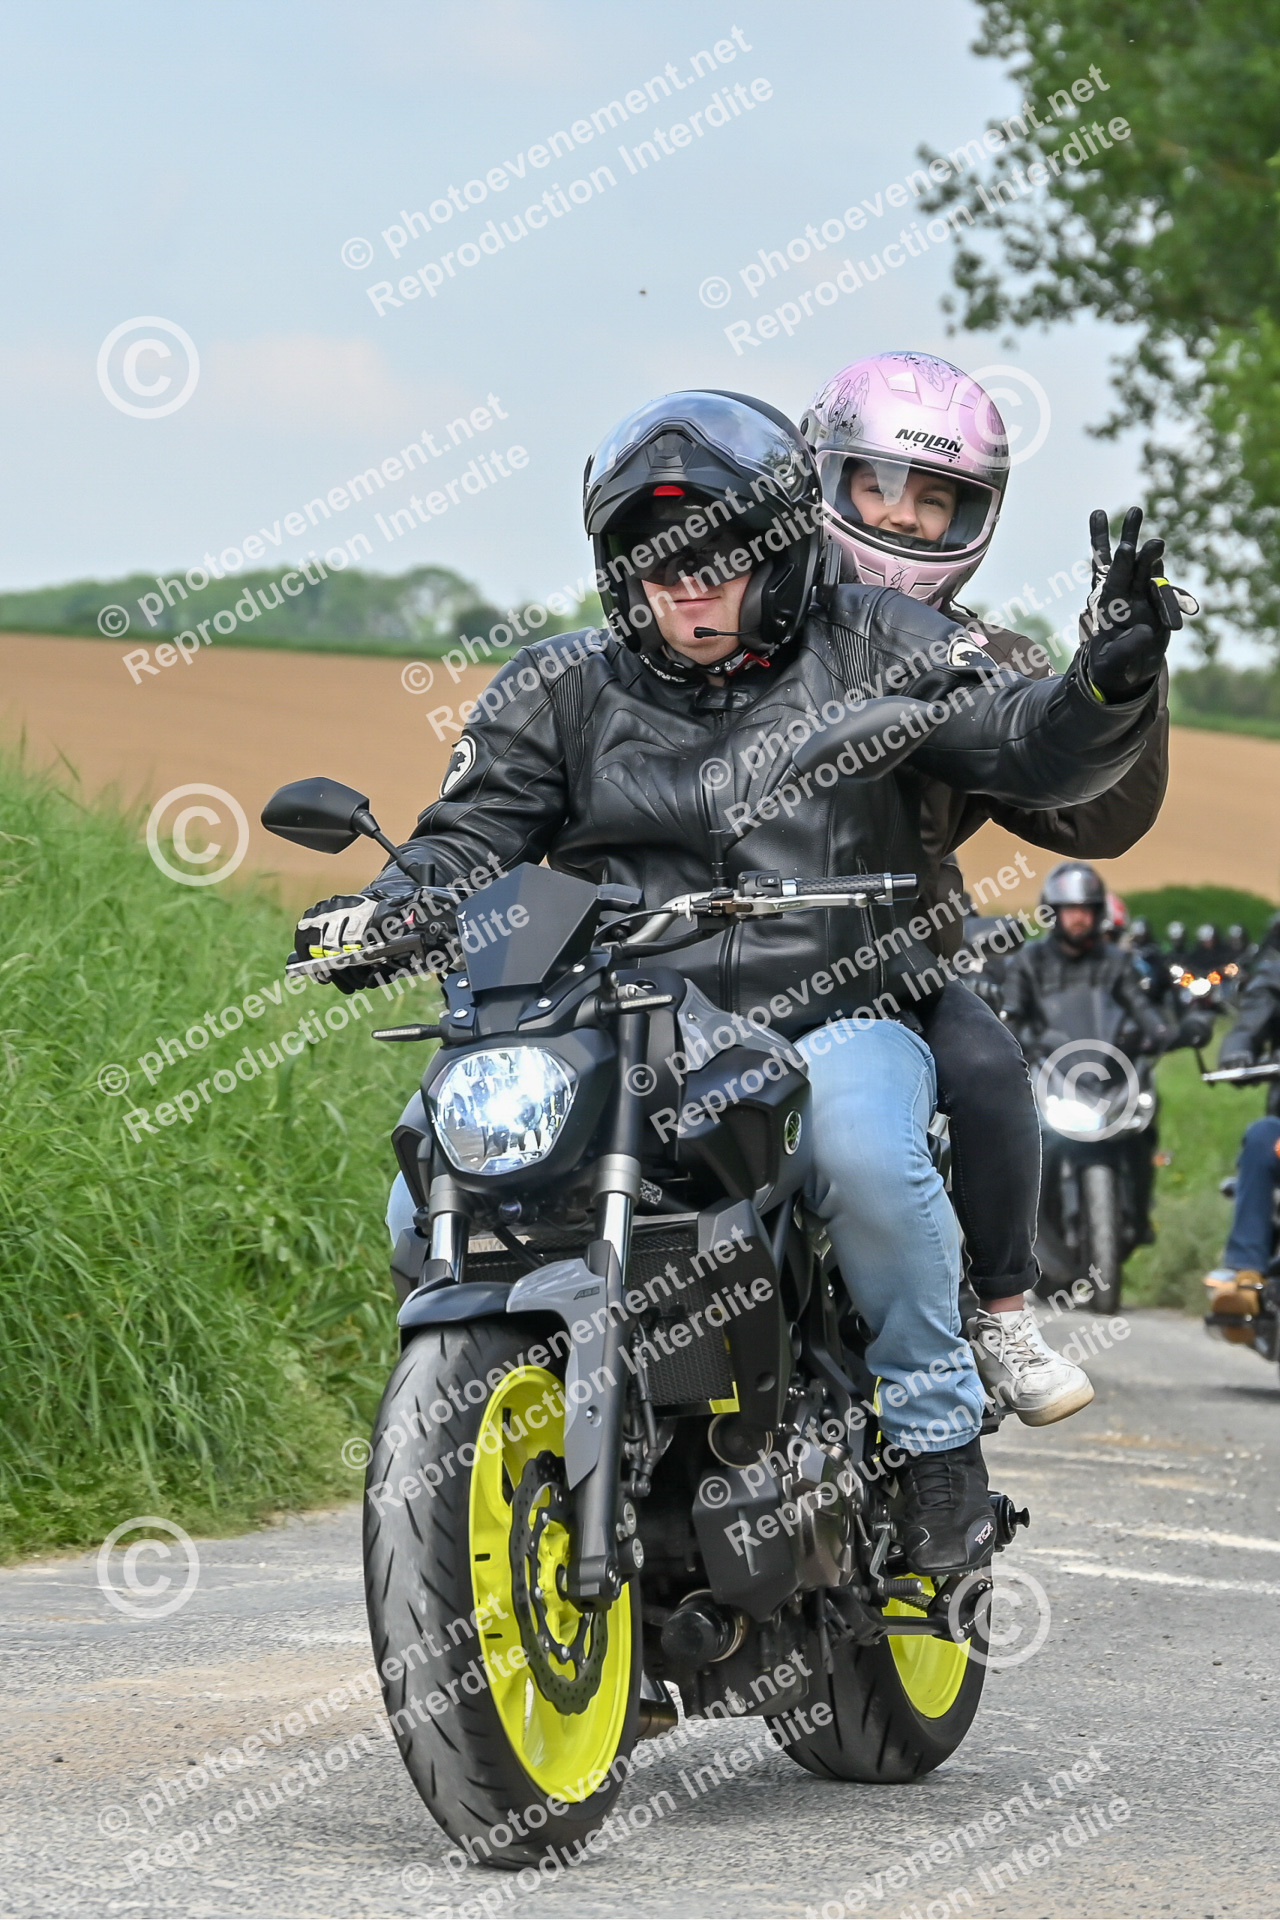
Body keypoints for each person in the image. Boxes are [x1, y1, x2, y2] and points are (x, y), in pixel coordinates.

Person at [296, 389, 1169, 1575]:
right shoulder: (557, 686)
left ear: (782, 550)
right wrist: (393, 908)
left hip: (832, 1008)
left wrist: (1105, 691)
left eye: (717, 560)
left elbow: (1022, 743)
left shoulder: (881, 641)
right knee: (434, 1188)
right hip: (610, 1024)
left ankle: (932, 1439)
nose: (686, 588)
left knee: (865, 1154)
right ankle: (505, 1397)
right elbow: (468, 837)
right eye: (657, 564)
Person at [801, 350, 1190, 1425]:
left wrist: (1121, 677)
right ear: (820, 473)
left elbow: (1093, 818)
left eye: (936, 499)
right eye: (878, 483)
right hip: (706, 946)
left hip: (892, 963)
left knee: (984, 1066)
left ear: (975, 516)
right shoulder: (744, 621)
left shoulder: (976, 659)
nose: (903, 515)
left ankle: (1001, 1310)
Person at [1204, 915, 1280, 1314]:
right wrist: (1238, 1050)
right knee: (1263, 1138)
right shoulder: (1275, 977)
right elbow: (1249, 1023)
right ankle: (1245, 1271)